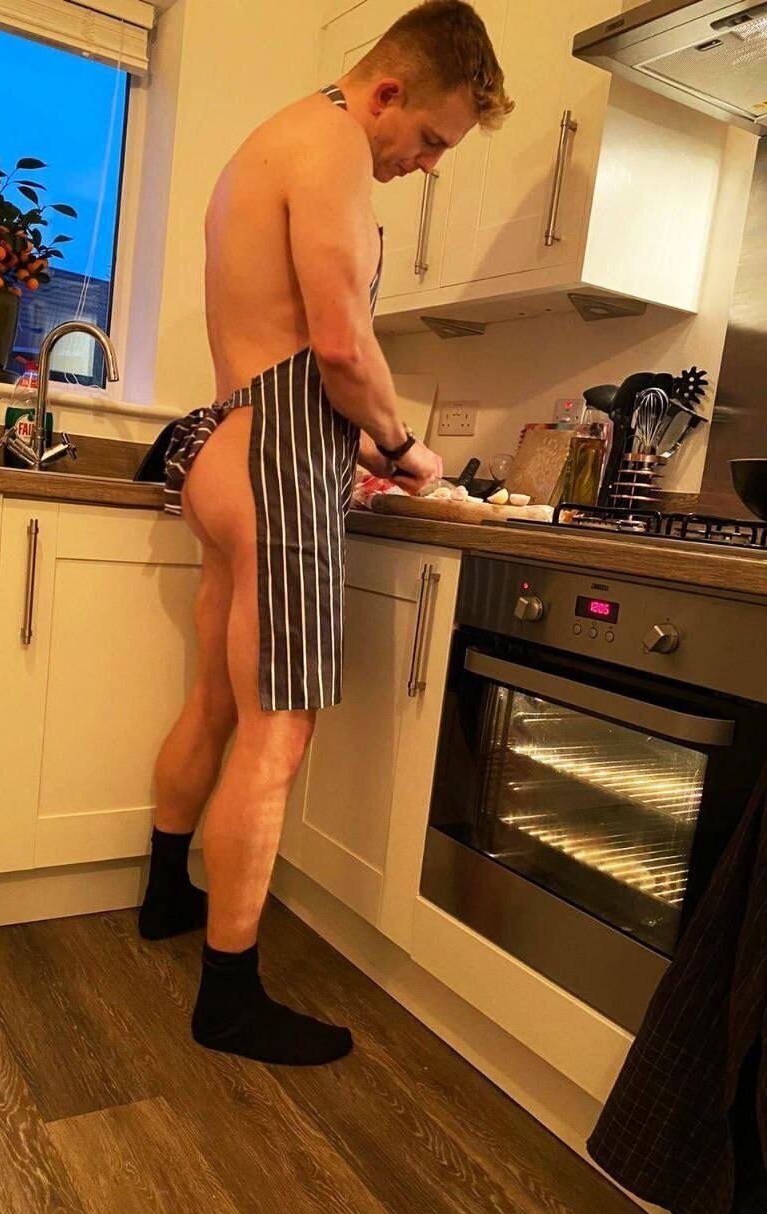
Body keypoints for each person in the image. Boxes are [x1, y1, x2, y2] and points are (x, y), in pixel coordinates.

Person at [138, 0, 513, 1066]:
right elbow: (342, 348)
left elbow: (285, 349)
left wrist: (344, 452)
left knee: (217, 699)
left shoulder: (270, 142)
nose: (426, 165)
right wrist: (403, 446)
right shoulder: (336, 146)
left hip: (229, 448)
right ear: (387, 92)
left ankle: (166, 895)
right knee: (280, 730)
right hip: (275, 467)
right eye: (432, 138)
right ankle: (229, 997)